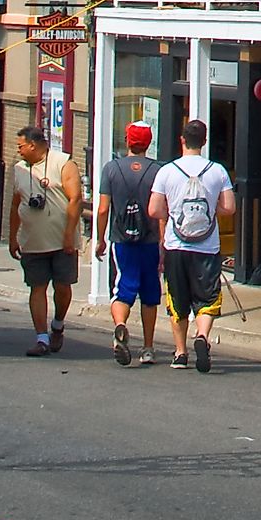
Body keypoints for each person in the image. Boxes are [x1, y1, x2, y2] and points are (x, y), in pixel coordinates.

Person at [150, 117, 234, 373]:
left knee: (178, 299)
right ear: (205, 141)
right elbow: (229, 208)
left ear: (182, 140)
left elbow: (153, 210)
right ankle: (202, 336)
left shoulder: (167, 171)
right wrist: (211, 209)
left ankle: (179, 352)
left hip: (177, 246)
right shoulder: (217, 171)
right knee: (207, 297)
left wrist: (172, 211)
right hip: (207, 248)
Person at [93, 122, 165, 367]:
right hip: (150, 239)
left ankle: (121, 325)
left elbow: (103, 208)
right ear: (149, 142)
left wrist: (100, 238)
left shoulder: (111, 169)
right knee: (150, 292)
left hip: (122, 238)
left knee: (123, 285)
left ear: (127, 141)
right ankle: (148, 347)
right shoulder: (158, 170)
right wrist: (163, 243)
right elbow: (162, 212)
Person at [7, 126, 80, 355]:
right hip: (32, 241)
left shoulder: (63, 162)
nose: (18, 151)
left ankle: (57, 325)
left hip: (61, 241)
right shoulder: (19, 170)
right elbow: (15, 203)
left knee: (62, 286)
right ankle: (41, 338)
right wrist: (13, 237)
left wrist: (69, 233)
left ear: (33, 145)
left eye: (20, 146)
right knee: (37, 287)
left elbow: (75, 198)